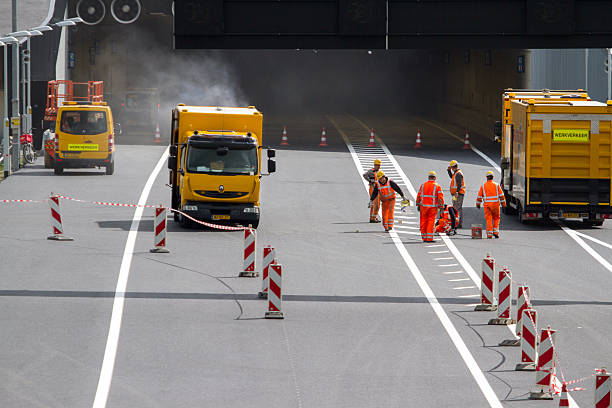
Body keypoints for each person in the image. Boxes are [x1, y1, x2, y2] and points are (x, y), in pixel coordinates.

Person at [476, 171, 507, 238]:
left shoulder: (483, 186)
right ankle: (495, 232)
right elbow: (501, 196)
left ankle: (489, 234)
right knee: (496, 218)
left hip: (487, 206)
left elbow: (479, 196)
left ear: (487, 177)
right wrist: (503, 204)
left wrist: (478, 204)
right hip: (495, 205)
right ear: (492, 177)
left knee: (489, 219)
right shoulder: (496, 185)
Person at [416, 171, 445, 242]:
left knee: (423, 221)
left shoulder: (423, 185)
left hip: (423, 207)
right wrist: (441, 206)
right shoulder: (437, 186)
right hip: (432, 207)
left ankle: (424, 237)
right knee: (431, 221)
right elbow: (440, 198)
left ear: (428, 177)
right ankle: (429, 238)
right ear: (435, 178)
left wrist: (418, 204)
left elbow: (419, 195)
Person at [447, 160, 465, 228]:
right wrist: (449, 171)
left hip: (458, 194)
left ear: (453, 167)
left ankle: (458, 223)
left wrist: (457, 192)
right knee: (456, 207)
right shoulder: (456, 173)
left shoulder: (458, 174)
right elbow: (452, 177)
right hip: (455, 194)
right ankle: (457, 223)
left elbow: (459, 184)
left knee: (457, 208)